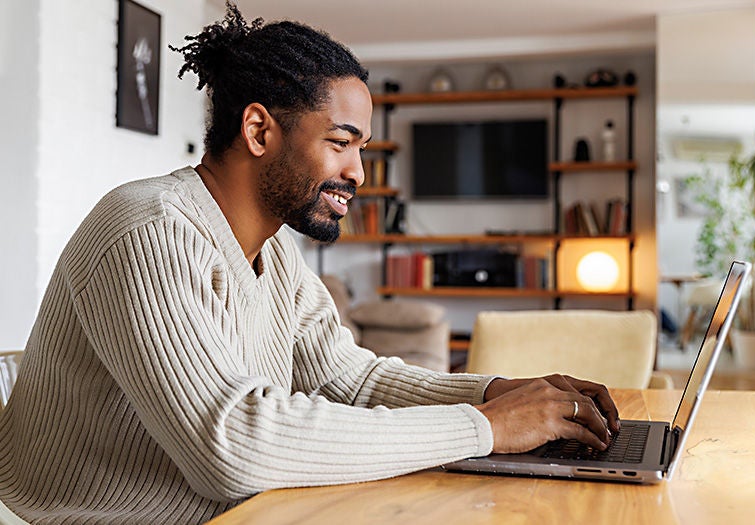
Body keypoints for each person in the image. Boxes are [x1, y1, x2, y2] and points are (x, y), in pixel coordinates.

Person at [0, 4, 618, 524]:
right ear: (260, 130)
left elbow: (349, 380)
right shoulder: (149, 230)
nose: (359, 172)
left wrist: (499, 393)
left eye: (363, 148)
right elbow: (234, 442)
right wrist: (485, 428)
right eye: (340, 142)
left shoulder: (272, 249)